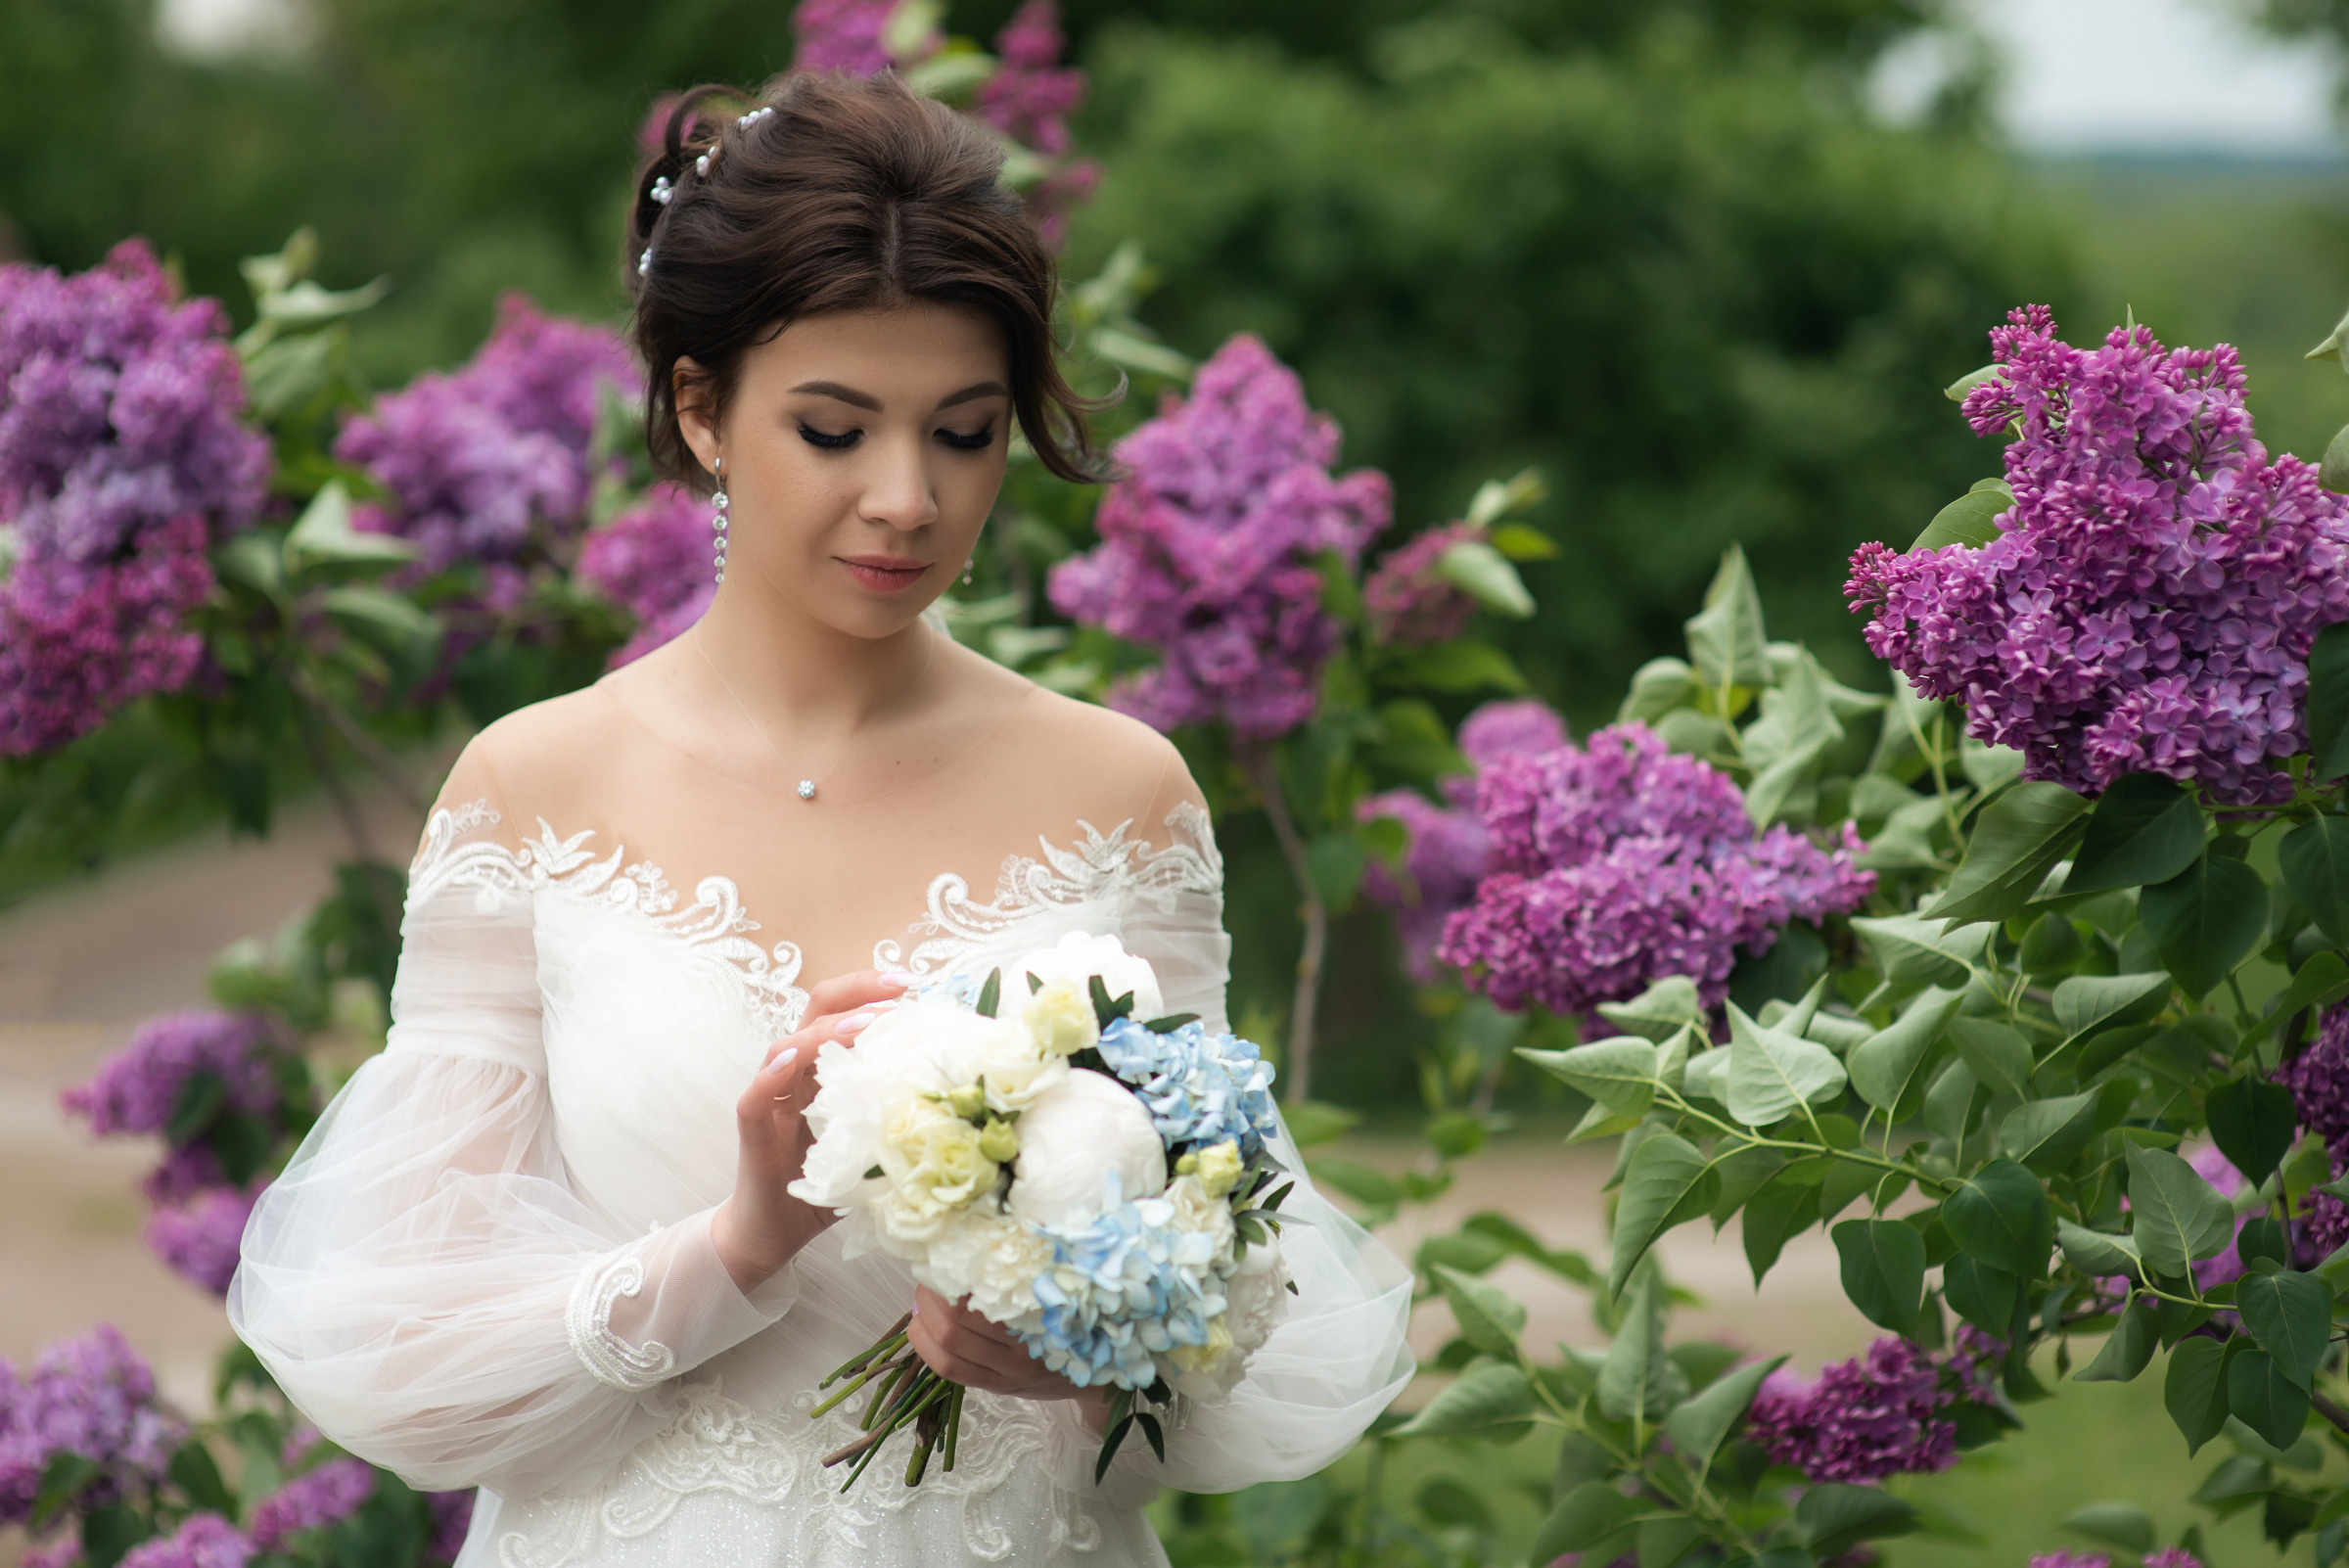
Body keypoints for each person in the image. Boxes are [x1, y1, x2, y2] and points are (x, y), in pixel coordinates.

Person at [228, 69, 1413, 1568]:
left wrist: (1101, 1354)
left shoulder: (1121, 796)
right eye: (837, 430)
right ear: (703, 410)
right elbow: (415, 1361)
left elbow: (1244, 1295)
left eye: (966, 433)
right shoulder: (532, 791)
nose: (909, 499)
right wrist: (738, 1244)